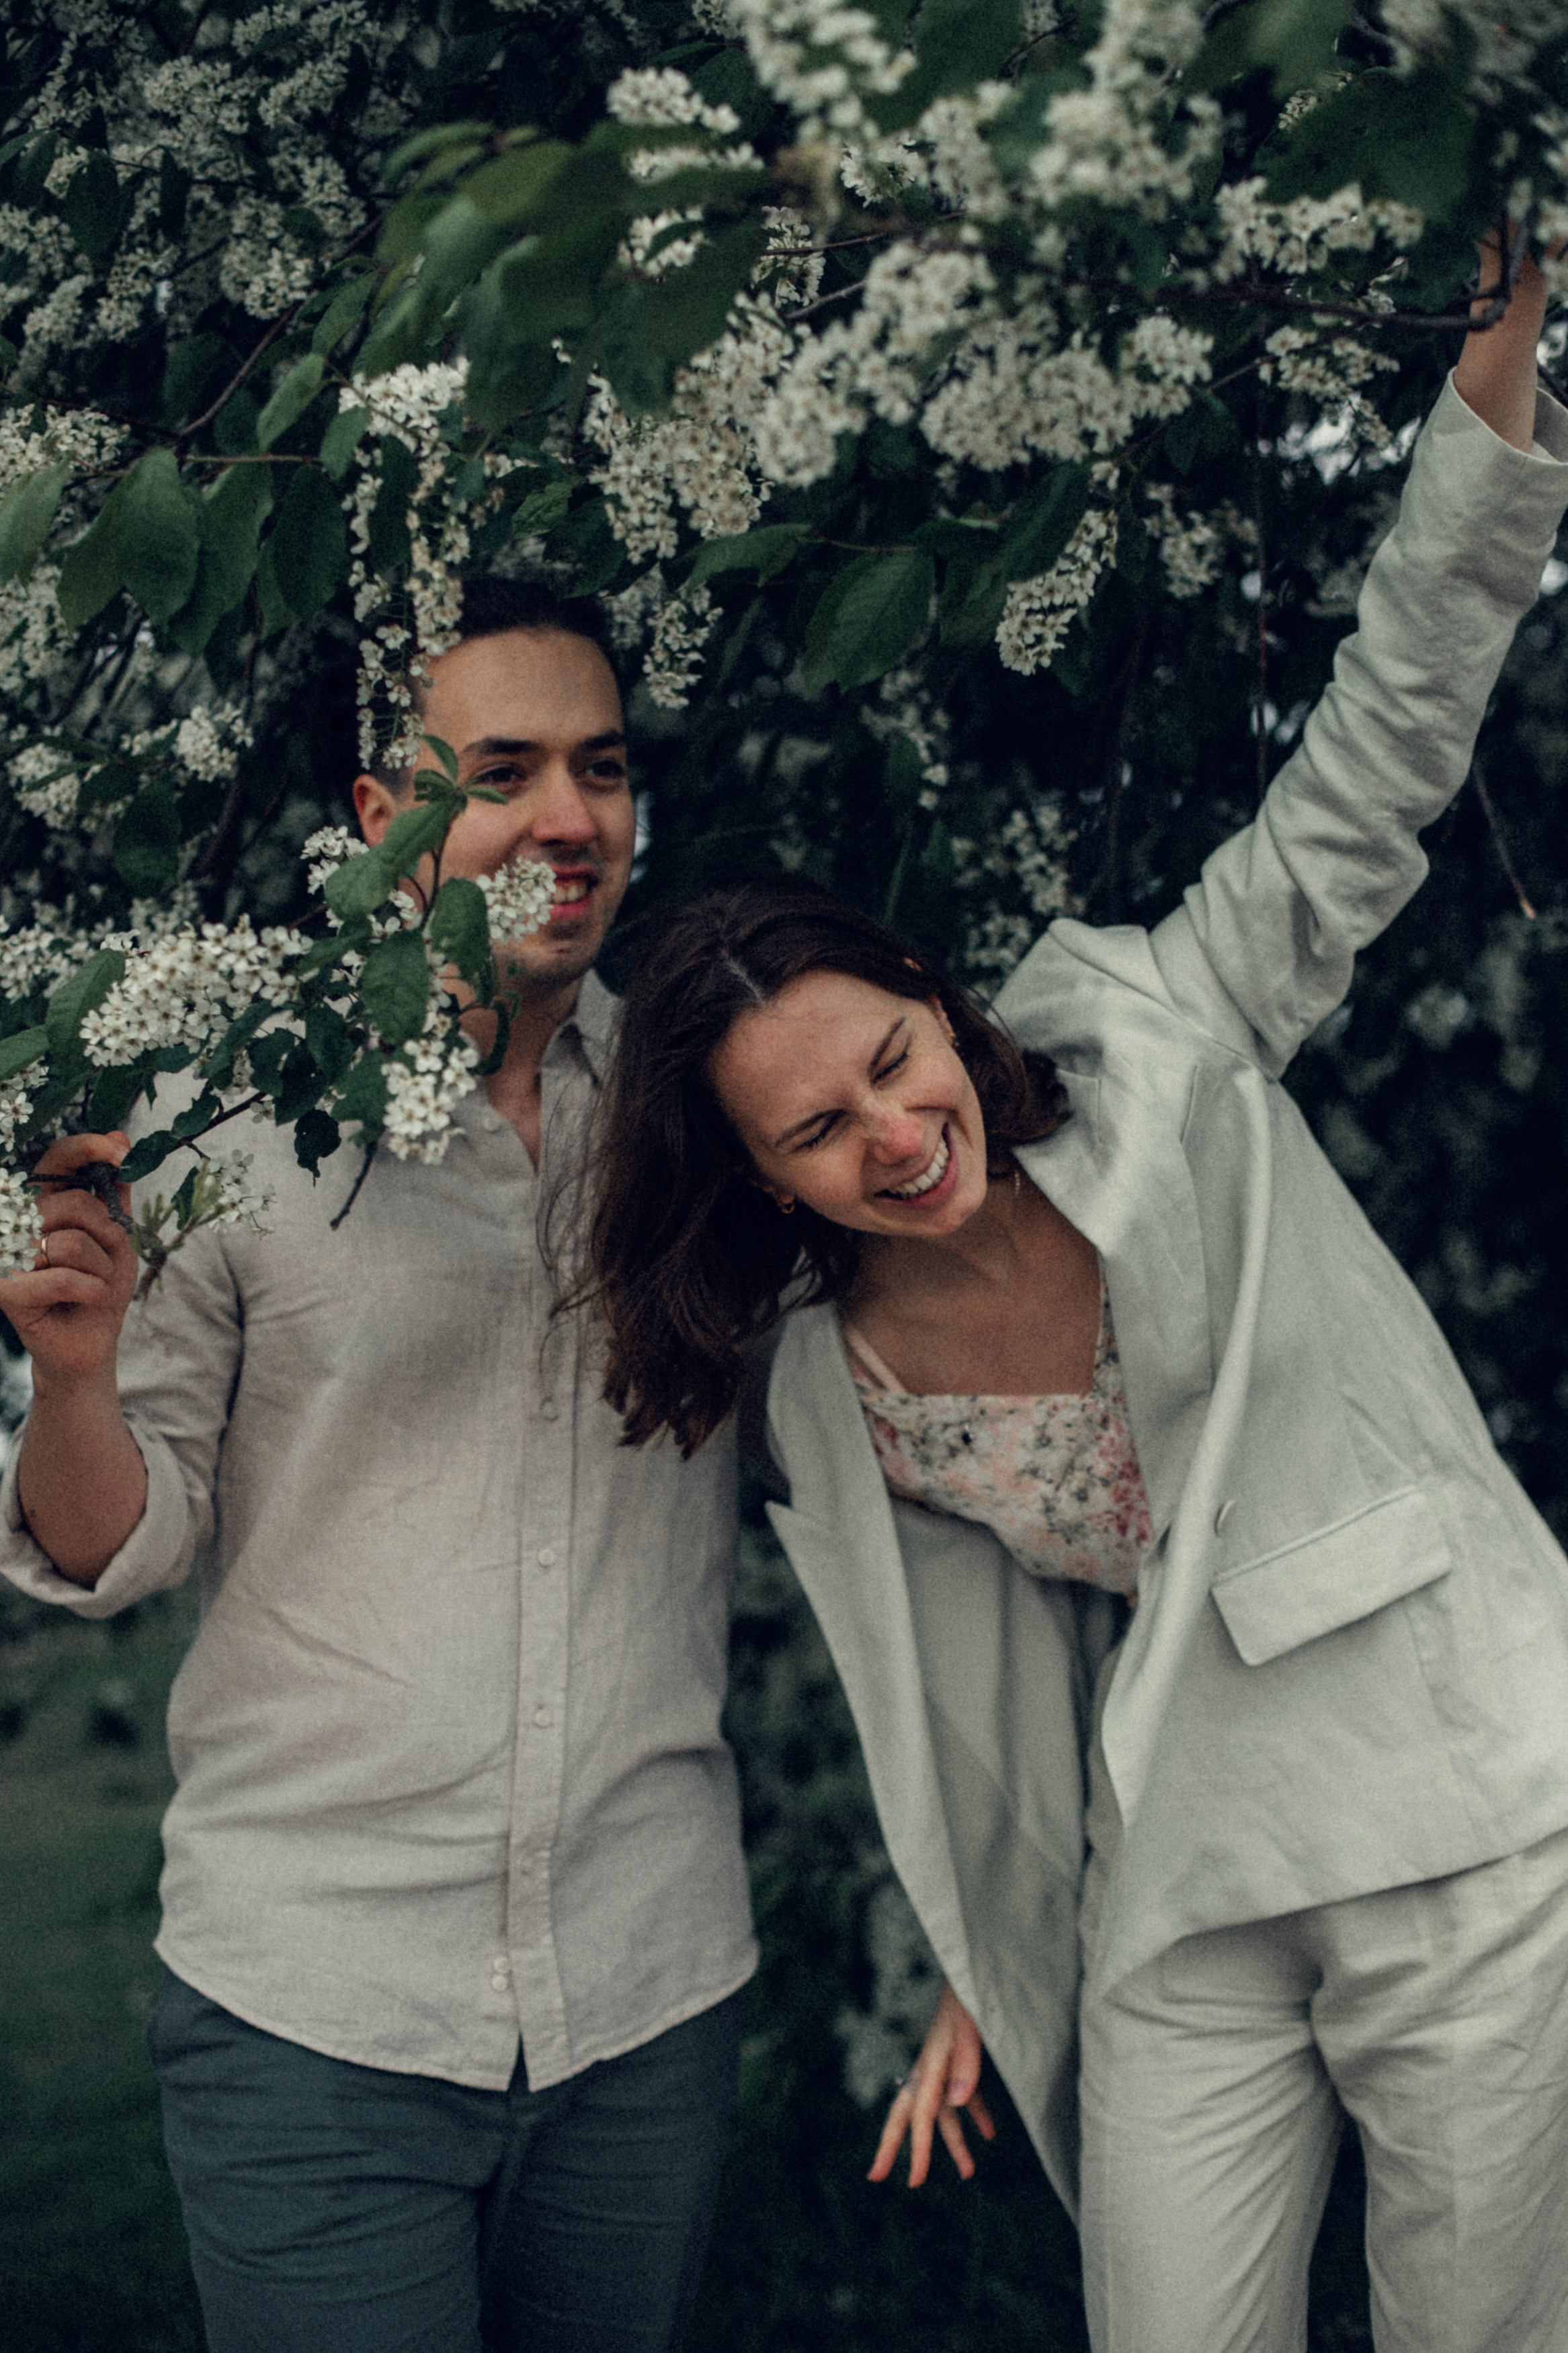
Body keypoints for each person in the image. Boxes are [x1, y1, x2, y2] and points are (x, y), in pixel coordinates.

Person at [580, 256, 1568, 2352]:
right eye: (818, 1128)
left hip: (1459, 1805)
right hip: (1178, 1883)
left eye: (892, 1061)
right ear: (758, 1178)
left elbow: (1384, 746)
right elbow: (1002, 1675)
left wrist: (1493, 376)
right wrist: (992, 1942)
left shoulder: (1164, 1034)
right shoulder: (825, 1389)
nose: (893, 1131)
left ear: (938, 1004)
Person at [0, 580, 757, 2353]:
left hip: (646, 1993)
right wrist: (75, 1380)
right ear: (380, 819)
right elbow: (114, 1547)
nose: (567, 819)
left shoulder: (703, 1113)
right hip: (315, 2008)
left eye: (601, 769)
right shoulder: (233, 1120)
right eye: (502, 773)